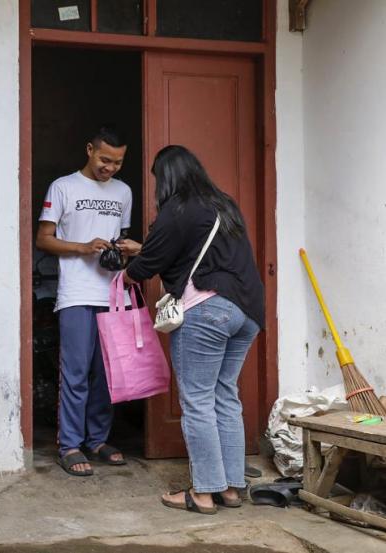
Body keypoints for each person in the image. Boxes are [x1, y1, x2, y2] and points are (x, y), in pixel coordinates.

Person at [121, 145, 265, 514]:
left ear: (165, 177)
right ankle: (231, 488)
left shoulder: (179, 207)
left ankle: (203, 493)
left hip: (207, 310)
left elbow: (152, 261)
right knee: (224, 396)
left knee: (198, 400)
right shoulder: (223, 204)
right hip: (246, 312)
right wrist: (146, 249)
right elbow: (191, 248)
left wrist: (128, 272)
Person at [36, 125, 137, 477]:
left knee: (107, 374)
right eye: (105, 159)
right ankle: (70, 445)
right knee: (76, 372)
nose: (110, 167)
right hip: (76, 293)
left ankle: (97, 439)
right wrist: (82, 247)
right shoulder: (63, 187)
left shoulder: (124, 192)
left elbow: (121, 239)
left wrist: (120, 252)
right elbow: (43, 239)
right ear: (89, 150)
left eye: (118, 162)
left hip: (112, 293)